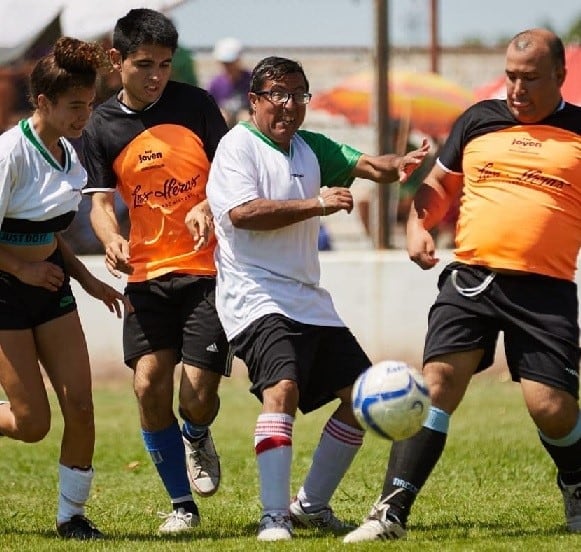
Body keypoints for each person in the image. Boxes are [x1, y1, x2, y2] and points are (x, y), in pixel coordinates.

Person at [343, 28, 581, 543]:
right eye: (512, 77)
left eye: (530, 79)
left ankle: (576, 479)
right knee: (437, 385)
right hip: (472, 278)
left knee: (551, 407)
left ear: (561, 76)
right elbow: (438, 185)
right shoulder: (478, 120)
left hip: (545, 289)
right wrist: (416, 226)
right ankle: (391, 511)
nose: (516, 89)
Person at [206, 56, 429, 541]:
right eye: (278, 95)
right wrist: (318, 203)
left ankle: (309, 505)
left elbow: (366, 164)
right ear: (255, 99)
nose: (289, 106)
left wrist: (396, 165)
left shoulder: (310, 148)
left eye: (298, 95)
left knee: (361, 398)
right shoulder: (236, 147)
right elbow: (243, 214)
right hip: (254, 294)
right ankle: (273, 517)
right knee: (281, 390)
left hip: (307, 298)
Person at [81, 9, 230, 534]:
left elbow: (233, 175)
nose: (156, 76)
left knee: (197, 396)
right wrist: (111, 238)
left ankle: (196, 432)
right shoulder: (99, 124)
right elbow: (99, 203)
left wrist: (209, 205)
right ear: (116, 60)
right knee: (147, 385)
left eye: (165, 65)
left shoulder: (198, 104)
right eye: (144, 64)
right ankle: (181, 506)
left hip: (209, 273)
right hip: (146, 276)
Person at [0, 36, 130, 540]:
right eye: (74, 106)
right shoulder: (11, 153)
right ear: (43, 103)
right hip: (6, 293)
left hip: (50, 287)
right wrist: (24, 271)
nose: (84, 115)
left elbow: (48, 234)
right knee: (33, 424)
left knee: (80, 404)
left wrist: (89, 280)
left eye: (89, 104)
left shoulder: (68, 154)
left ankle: (71, 517)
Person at [207, 37, 252, 128]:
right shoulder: (215, 83)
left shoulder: (251, 80)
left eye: (230, 62)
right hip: (226, 123)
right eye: (224, 63)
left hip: (245, 120)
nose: (227, 66)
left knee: (245, 117)